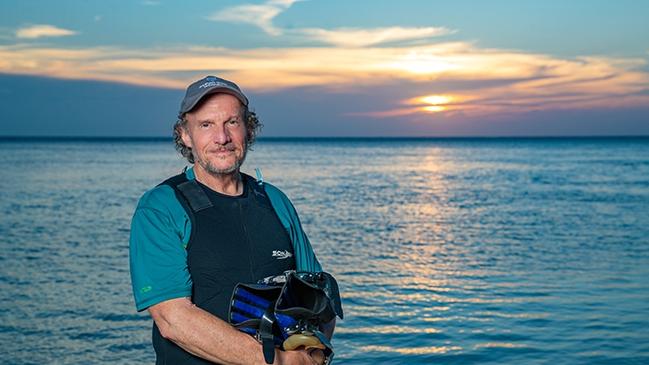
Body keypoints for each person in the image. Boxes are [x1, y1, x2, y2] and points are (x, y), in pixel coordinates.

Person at [129, 76, 334, 365]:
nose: (222, 138)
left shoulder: (275, 201)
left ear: (248, 130)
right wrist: (279, 362)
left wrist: (313, 354)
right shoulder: (161, 207)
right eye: (206, 125)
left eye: (232, 123)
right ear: (185, 135)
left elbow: (318, 298)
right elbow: (173, 320)